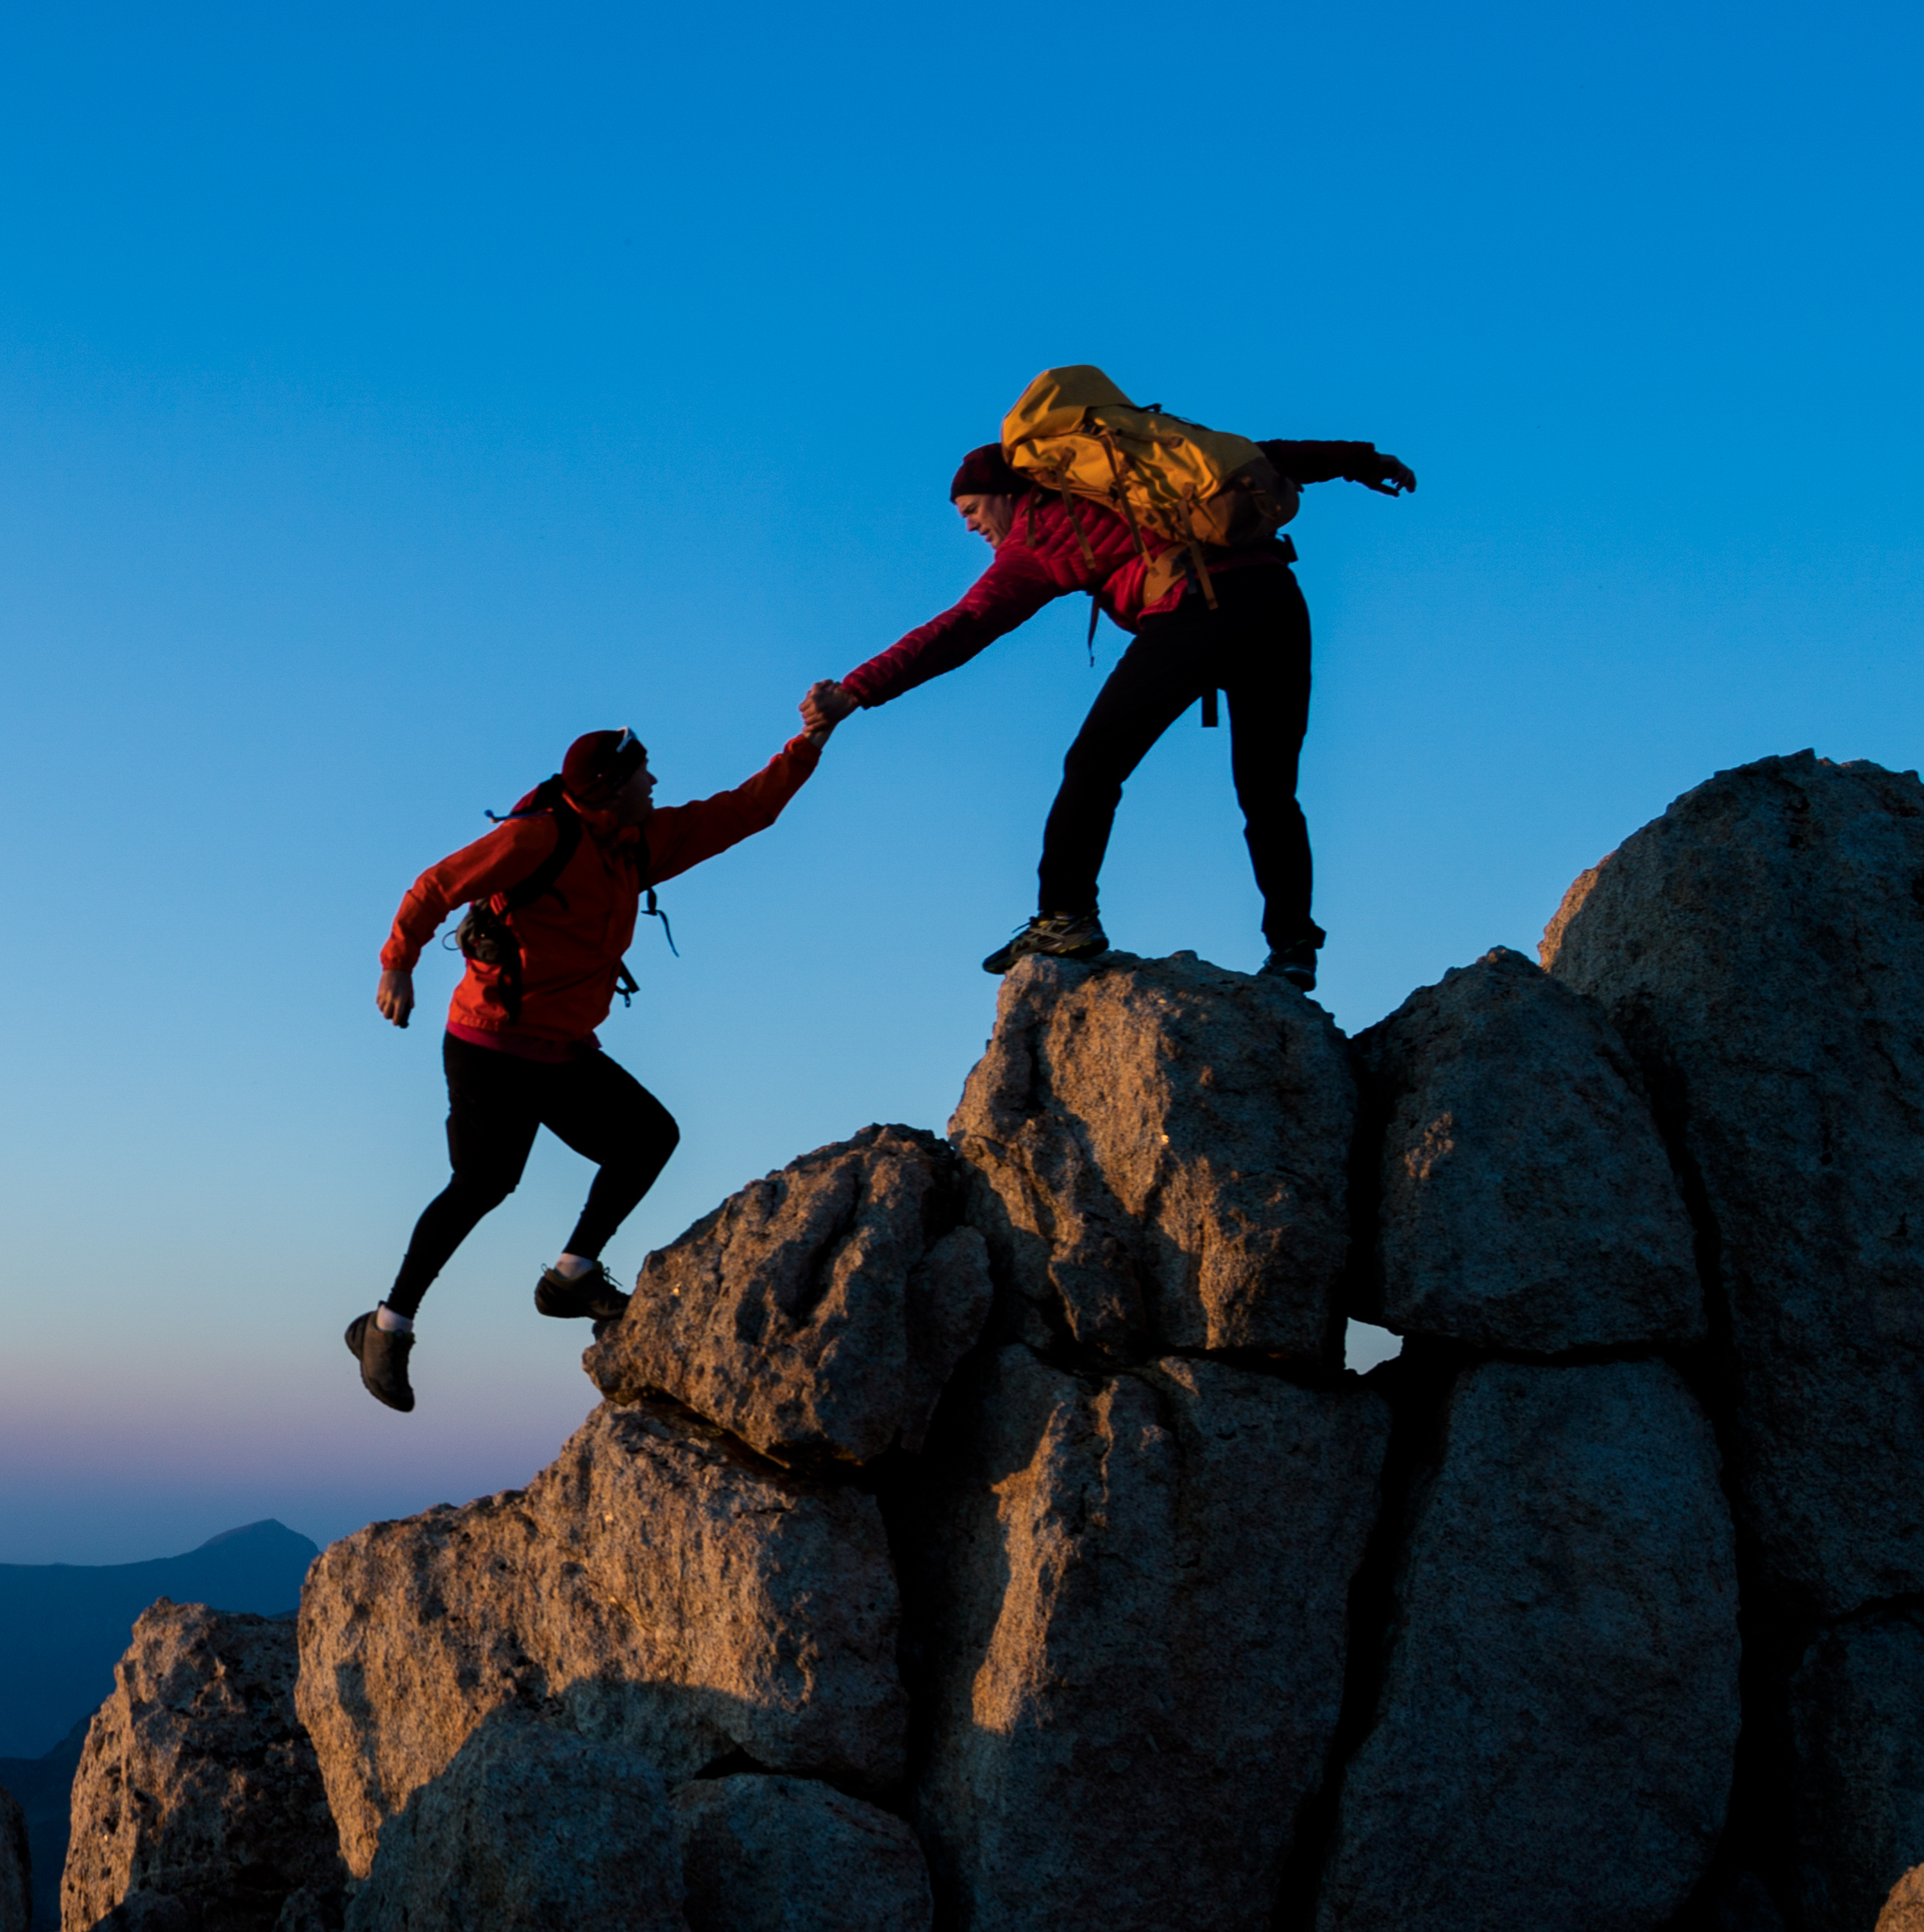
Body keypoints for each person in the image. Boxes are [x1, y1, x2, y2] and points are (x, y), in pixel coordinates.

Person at [802, 423, 1414, 989]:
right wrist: (1362, 461)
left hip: (1198, 607)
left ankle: (1065, 915)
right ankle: (1293, 949)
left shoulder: (1037, 538)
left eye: (969, 510)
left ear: (1006, 494)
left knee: (1093, 764)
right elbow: (1263, 457)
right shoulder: (1125, 478)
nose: (968, 526)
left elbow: (962, 627)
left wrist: (857, 689)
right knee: (1269, 791)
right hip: (1277, 600)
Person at [348, 717, 831, 1413]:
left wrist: (810, 742)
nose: (656, 782)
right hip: (489, 1043)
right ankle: (386, 1327)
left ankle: (570, 1276)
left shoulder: (637, 845)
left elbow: (744, 811)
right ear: (610, 787)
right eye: (644, 773)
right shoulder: (537, 838)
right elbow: (434, 886)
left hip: (562, 1049)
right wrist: (398, 963)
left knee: (648, 1137)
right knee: (484, 1184)